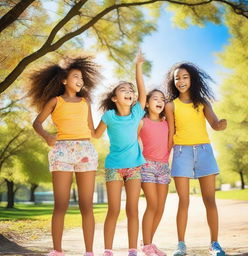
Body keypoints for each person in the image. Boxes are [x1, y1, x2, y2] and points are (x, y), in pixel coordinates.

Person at [29, 56, 101, 256]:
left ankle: (89, 252)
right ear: (64, 80)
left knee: (87, 206)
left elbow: (93, 131)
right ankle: (57, 251)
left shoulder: (85, 102)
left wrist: (113, 119)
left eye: (82, 78)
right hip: (61, 151)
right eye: (76, 76)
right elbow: (37, 123)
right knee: (61, 205)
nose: (80, 80)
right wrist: (47, 137)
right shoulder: (55, 101)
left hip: (85, 150)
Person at [165, 62, 227, 256]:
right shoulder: (170, 105)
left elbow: (215, 124)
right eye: (177, 78)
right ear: (173, 81)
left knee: (210, 199)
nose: (181, 81)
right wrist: (164, 157)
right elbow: (170, 133)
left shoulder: (202, 102)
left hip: (204, 151)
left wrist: (221, 125)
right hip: (181, 152)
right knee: (183, 201)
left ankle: (214, 244)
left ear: (192, 79)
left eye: (185, 77)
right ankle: (181, 244)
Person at [92, 51, 146, 256]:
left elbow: (142, 91)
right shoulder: (109, 116)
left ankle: (133, 250)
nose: (129, 92)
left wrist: (138, 67)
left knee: (132, 209)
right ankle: (108, 250)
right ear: (115, 98)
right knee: (113, 210)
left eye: (130, 91)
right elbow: (95, 135)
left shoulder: (136, 112)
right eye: (124, 90)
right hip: (114, 167)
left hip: (134, 167)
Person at [138, 89, 171, 256]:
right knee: (152, 204)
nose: (159, 101)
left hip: (164, 167)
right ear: (147, 103)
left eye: (162, 99)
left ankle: (148, 242)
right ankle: (146, 246)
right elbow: (132, 140)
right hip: (147, 166)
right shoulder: (142, 121)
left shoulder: (167, 123)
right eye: (155, 98)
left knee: (160, 208)